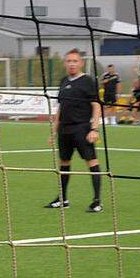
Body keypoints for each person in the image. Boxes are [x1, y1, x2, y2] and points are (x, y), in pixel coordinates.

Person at [45, 49, 103, 212]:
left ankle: (97, 201)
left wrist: (94, 129)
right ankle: (63, 199)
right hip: (64, 130)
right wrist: (54, 132)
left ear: (81, 63)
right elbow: (60, 109)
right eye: (69, 61)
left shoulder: (87, 81)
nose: (72, 64)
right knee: (64, 162)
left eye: (75, 61)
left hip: (82, 128)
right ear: (64, 63)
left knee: (91, 162)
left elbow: (96, 105)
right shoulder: (63, 81)